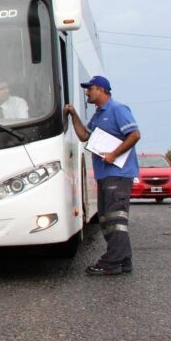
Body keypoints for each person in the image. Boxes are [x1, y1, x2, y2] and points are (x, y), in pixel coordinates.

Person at [65, 75, 141, 276]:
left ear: (100, 89)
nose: (87, 93)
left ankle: (111, 262)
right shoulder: (98, 115)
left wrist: (114, 154)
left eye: (89, 89)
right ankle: (124, 261)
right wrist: (73, 114)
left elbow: (135, 135)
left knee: (116, 219)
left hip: (118, 173)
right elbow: (84, 136)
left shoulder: (117, 109)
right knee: (107, 219)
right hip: (105, 175)